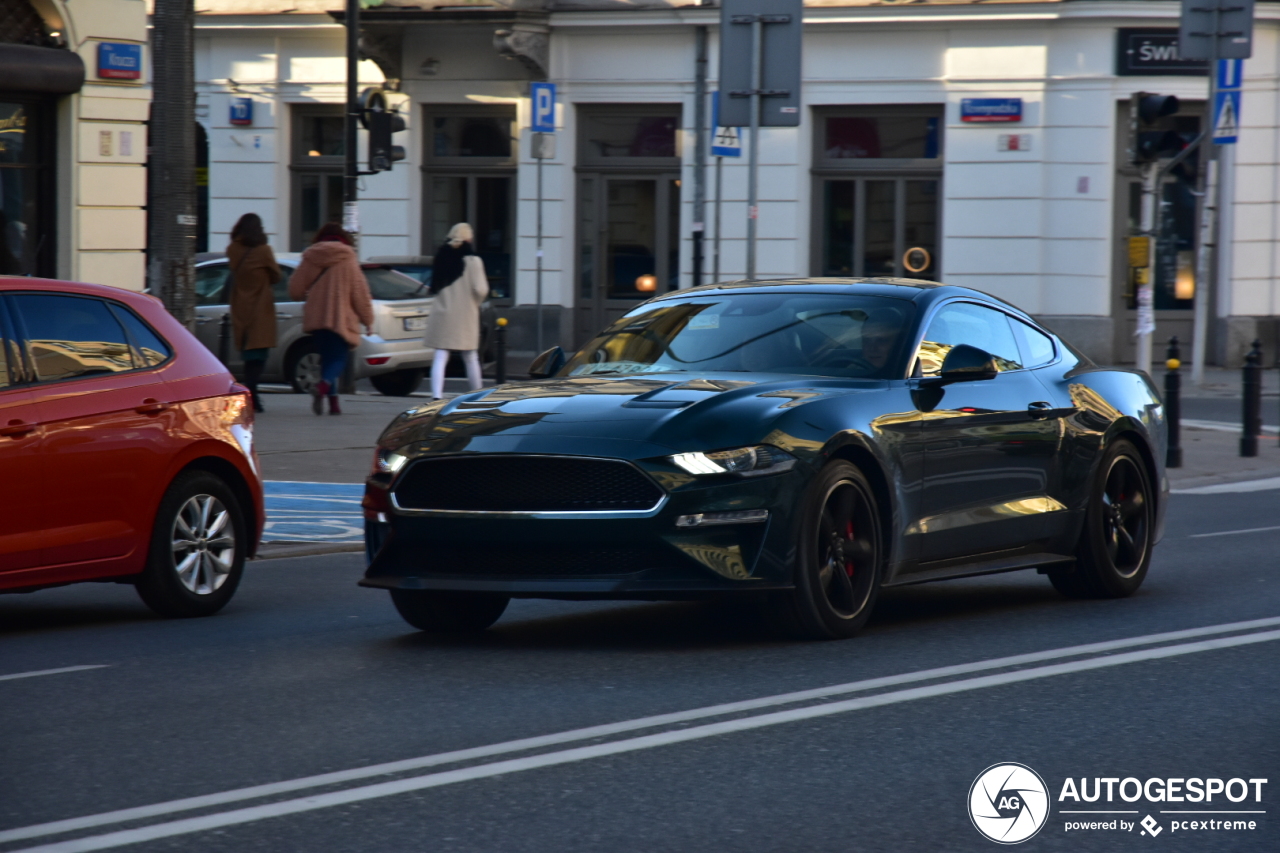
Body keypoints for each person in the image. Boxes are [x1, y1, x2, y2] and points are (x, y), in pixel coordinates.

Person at [288, 223, 373, 416]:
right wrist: (367, 319)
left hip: (317, 317)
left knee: (327, 359)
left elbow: (295, 289)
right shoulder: (348, 257)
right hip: (341, 318)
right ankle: (324, 387)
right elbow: (359, 292)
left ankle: (334, 405)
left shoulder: (311, 256)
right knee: (338, 359)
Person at [424, 222, 489, 400]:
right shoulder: (474, 261)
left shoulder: (441, 256)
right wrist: (475, 302)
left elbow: (435, 285)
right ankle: (477, 394)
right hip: (465, 314)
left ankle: (436, 395)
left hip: (443, 312)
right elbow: (481, 289)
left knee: (440, 355)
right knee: (470, 356)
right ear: (468, 238)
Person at [226, 213, 281, 412]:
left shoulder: (232, 249)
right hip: (260, 308)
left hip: (240, 305)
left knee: (248, 354)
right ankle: (252, 395)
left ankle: (251, 394)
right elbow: (276, 275)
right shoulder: (264, 250)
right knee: (259, 356)